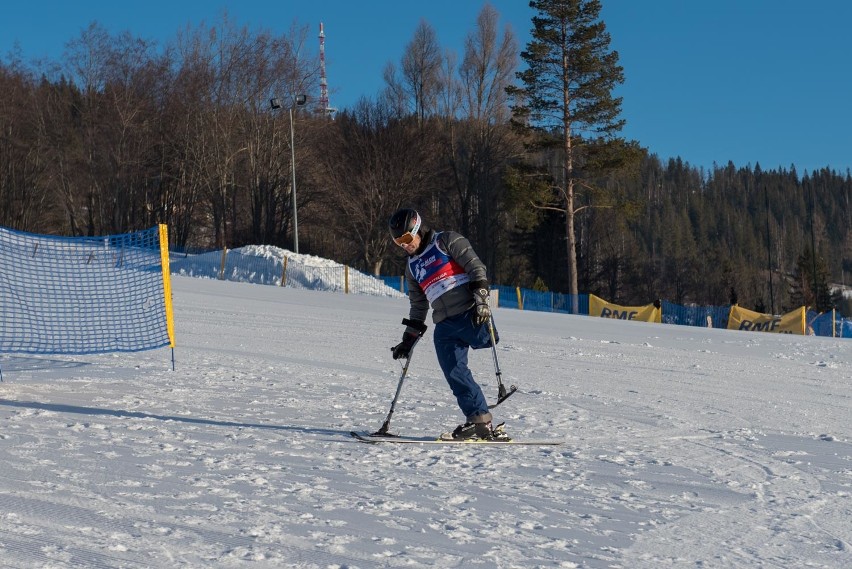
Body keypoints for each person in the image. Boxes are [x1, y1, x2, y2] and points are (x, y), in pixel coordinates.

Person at [388, 208, 505, 441]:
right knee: (454, 372)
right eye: (398, 241)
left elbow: (476, 267)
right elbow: (418, 306)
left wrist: (482, 300)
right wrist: (408, 339)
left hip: (470, 312)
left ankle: (481, 417)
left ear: (418, 230)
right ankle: (479, 420)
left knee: (486, 341)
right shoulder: (412, 268)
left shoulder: (446, 241)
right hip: (444, 325)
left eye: (407, 238)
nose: (404, 245)